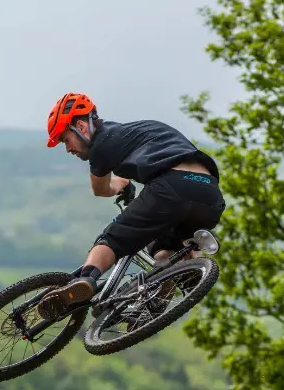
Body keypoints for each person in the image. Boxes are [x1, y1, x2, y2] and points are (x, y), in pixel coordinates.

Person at [36, 92, 226, 321]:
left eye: (65, 140)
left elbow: (101, 189)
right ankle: (165, 288)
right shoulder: (129, 133)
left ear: (81, 127)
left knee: (111, 239)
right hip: (210, 196)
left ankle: (84, 281)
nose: (67, 149)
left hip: (171, 187)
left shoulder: (102, 142)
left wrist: (122, 186)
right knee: (163, 249)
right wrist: (127, 185)